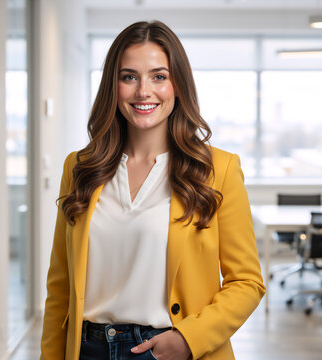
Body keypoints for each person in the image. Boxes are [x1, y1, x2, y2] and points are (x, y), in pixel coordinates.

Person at [40, 20, 265, 360]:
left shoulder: (218, 171)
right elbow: (60, 289)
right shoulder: (80, 168)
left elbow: (247, 282)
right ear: (113, 86)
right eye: (129, 76)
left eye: (159, 76)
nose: (143, 91)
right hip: (87, 350)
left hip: (171, 349)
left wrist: (189, 340)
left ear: (178, 86)